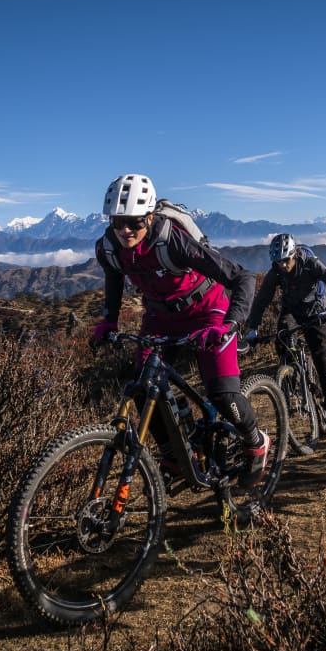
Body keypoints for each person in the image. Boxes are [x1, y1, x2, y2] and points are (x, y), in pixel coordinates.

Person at [92, 173, 269, 487]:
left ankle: (256, 442)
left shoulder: (172, 241)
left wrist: (230, 324)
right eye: (118, 222)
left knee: (222, 393)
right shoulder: (108, 248)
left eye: (134, 222)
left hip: (207, 311)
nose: (125, 230)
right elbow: (114, 279)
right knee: (144, 389)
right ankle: (176, 453)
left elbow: (243, 278)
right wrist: (109, 320)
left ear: (149, 217)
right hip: (159, 317)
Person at [245, 233, 326, 427]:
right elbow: (261, 300)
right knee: (283, 339)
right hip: (291, 310)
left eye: (285, 260)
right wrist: (253, 328)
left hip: (317, 310)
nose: (282, 265)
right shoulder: (275, 271)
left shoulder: (310, 263)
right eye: (278, 262)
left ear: (293, 254)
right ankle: (291, 383)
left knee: (321, 356)